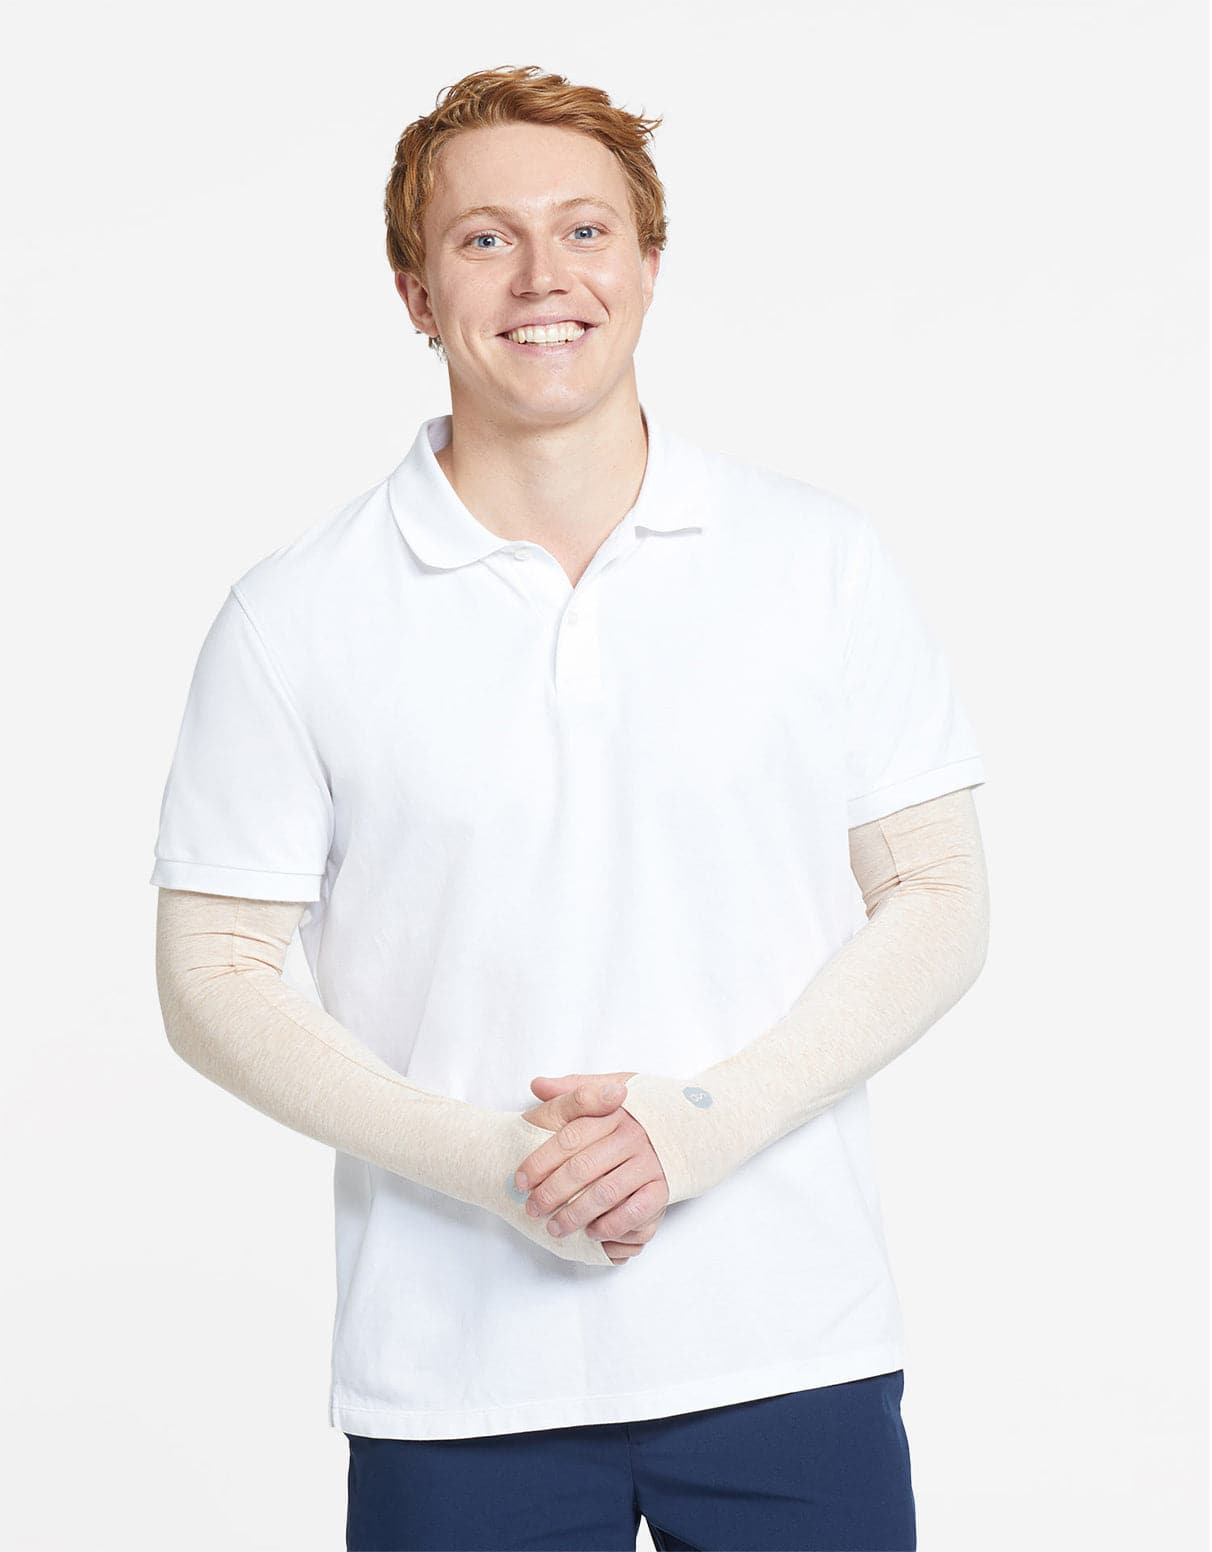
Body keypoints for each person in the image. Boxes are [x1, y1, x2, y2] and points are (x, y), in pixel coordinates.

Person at [150, 64, 990, 1552]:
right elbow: (211, 976)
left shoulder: (815, 562)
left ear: (649, 265)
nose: (544, 276)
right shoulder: (298, 615)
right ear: (415, 293)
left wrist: (695, 1130)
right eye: (485, 239)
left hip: (789, 1343)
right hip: (454, 1379)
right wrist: (501, 1167)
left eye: (586, 230)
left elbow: (939, 894)